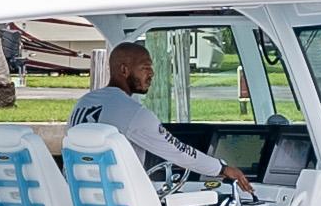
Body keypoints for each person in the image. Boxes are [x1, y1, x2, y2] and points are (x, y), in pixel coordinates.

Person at [68, 42, 251, 189]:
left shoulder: (83, 103)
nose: (152, 73)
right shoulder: (134, 114)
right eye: (145, 68)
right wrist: (222, 168)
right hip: (123, 205)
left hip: (82, 201)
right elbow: (179, 152)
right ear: (124, 70)